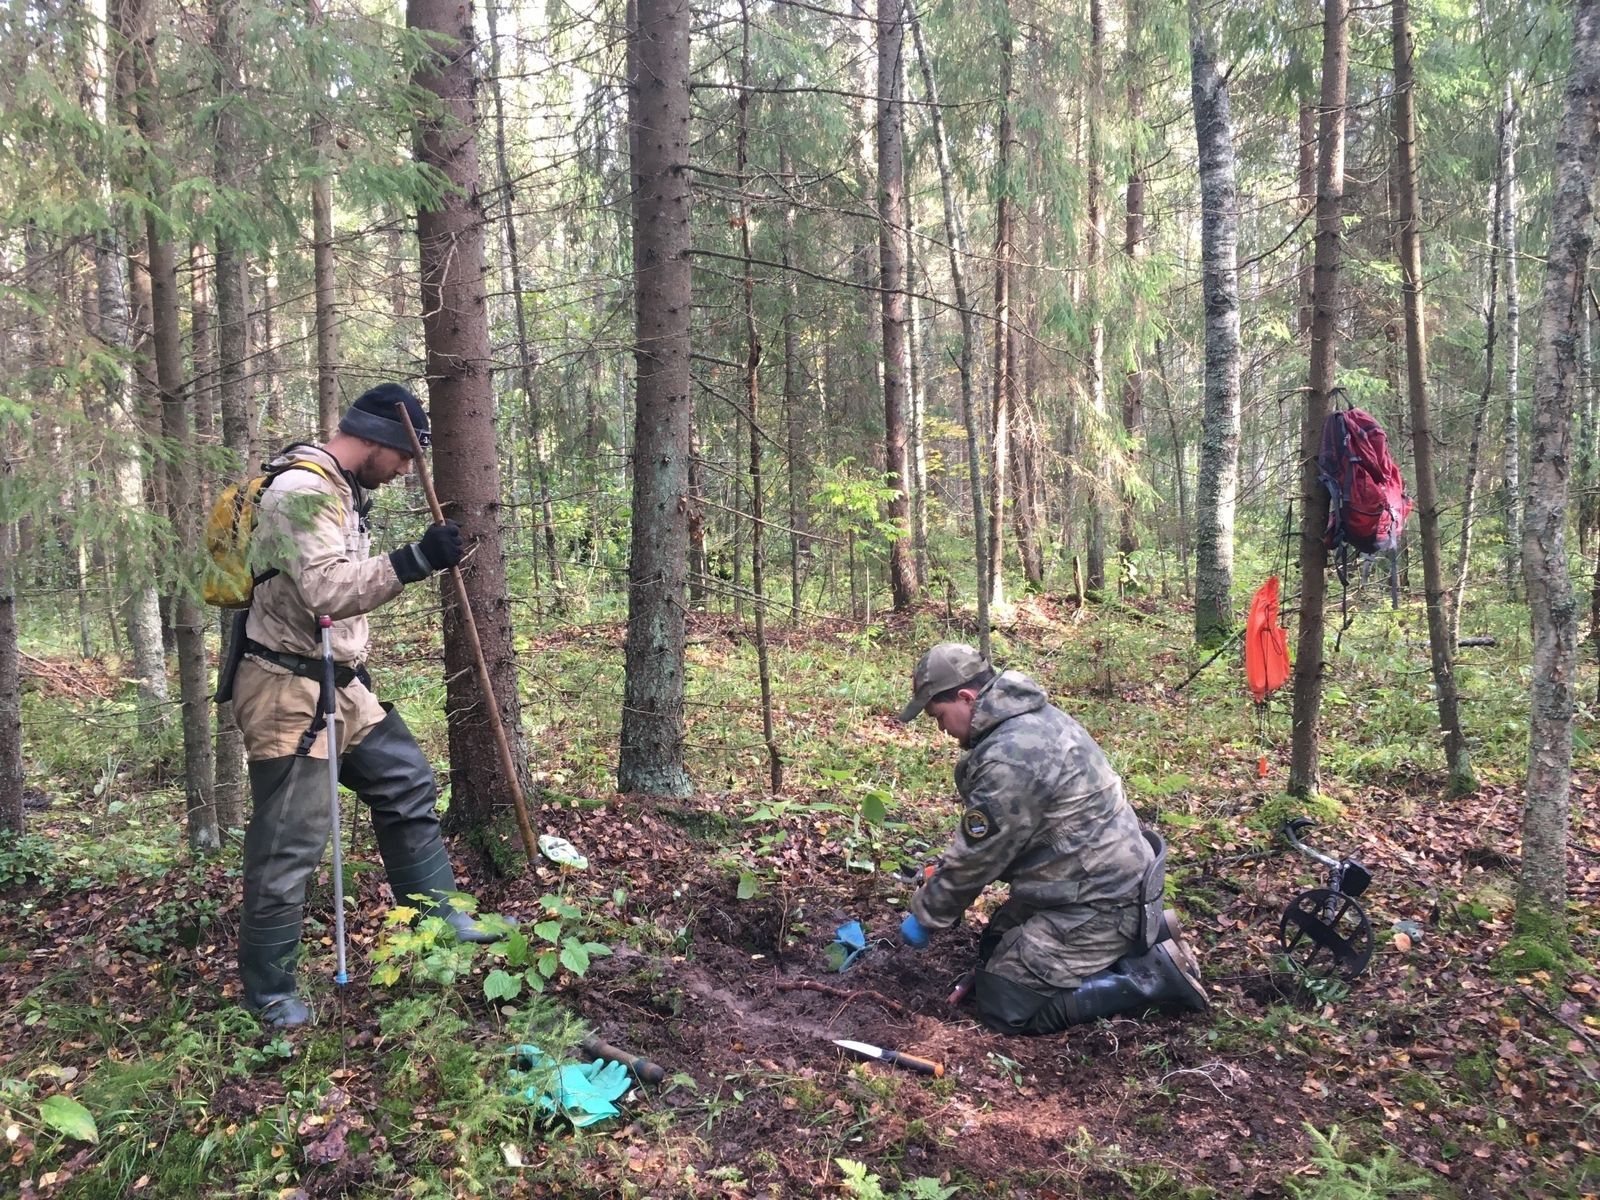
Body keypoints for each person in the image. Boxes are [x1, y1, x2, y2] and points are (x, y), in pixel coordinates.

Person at [220, 383, 500, 1028]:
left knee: (403, 779)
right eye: (404, 457)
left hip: (338, 682)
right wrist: (415, 560)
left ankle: (436, 916)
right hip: (287, 690)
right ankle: (268, 993)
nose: (406, 470)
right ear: (376, 441)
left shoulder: (341, 489)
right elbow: (324, 589)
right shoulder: (303, 492)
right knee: (291, 842)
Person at [896, 642, 1209, 1035]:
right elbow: (1007, 838)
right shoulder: (1030, 719)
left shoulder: (1011, 754)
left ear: (966, 697)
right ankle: (1139, 941)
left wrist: (927, 915)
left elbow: (978, 856)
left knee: (1003, 1004)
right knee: (995, 945)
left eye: (939, 716)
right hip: (1085, 880)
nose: (941, 729)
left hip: (1102, 898)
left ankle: (1148, 979)